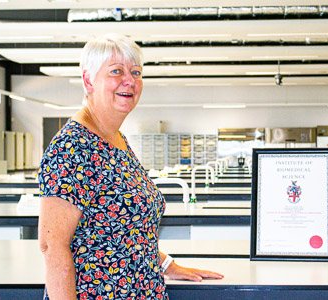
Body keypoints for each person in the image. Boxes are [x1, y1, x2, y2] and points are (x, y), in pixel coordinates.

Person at [38, 33, 223, 300]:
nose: (129, 80)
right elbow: (52, 246)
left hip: (140, 290)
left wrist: (167, 265)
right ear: (88, 80)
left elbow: (125, 230)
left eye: (136, 72)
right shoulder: (72, 146)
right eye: (116, 71)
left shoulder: (116, 140)